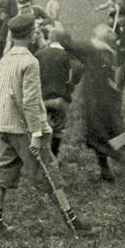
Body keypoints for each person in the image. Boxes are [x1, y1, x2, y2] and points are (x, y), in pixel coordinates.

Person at [0, 14, 101, 239]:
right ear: (31, 35)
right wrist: (37, 133)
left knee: (2, 174)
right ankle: (74, 224)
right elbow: (30, 102)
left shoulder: (4, 60)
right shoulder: (30, 62)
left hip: (5, 126)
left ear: (11, 35)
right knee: (50, 173)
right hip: (26, 129)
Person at [62, 24, 125, 183]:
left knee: (97, 137)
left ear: (100, 37)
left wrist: (58, 30)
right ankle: (107, 172)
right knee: (100, 135)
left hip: (96, 100)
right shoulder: (109, 52)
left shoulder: (93, 49)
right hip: (107, 99)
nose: (94, 31)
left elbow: (68, 45)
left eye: (97, 31)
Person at [34, 29, 75, 158]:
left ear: (50, 39)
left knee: (40, 129)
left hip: (43, 98)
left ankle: (41, 157)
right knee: (59, 128)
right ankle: (54, 155)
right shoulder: (67, 55)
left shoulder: (39, 54)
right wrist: (70, 87)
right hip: (60, 98)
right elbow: (77, 70)